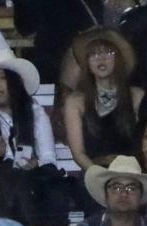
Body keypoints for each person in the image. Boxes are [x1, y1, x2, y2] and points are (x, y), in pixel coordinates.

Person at [60, 26, 140, 173]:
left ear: (118, 59)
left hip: (131, 173)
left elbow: (142, 144)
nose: (101, 58)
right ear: (87, 63)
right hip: (94, 174)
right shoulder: (75, 102)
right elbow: (78, 153)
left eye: (108, 52)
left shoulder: (136, 96)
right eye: (94, 54)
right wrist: (100, 176)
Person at [0, 52, 54, 169]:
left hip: (29, 182)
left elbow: (49, 159)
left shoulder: (36, 114)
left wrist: (36, 164)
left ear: (15, 82)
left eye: (2, 77)